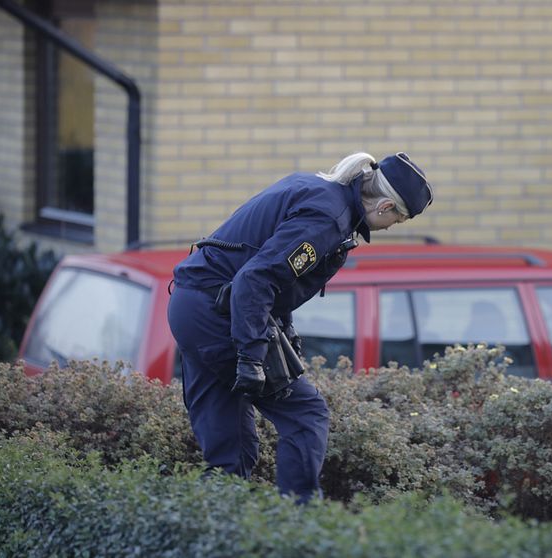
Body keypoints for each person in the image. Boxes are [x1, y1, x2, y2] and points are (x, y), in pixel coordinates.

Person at [167, 152, 433, 502]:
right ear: (384, 207)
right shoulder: (328, 218)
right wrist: (251, 354)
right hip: (220, 315)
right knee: (307, 416)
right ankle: (298, 525)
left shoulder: (316, 187)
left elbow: (269, 270)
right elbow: (255, 279)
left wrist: (283, 328)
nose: (392, 227)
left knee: (229, 456)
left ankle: (196, 530)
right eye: (398, 219)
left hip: (192, 305)